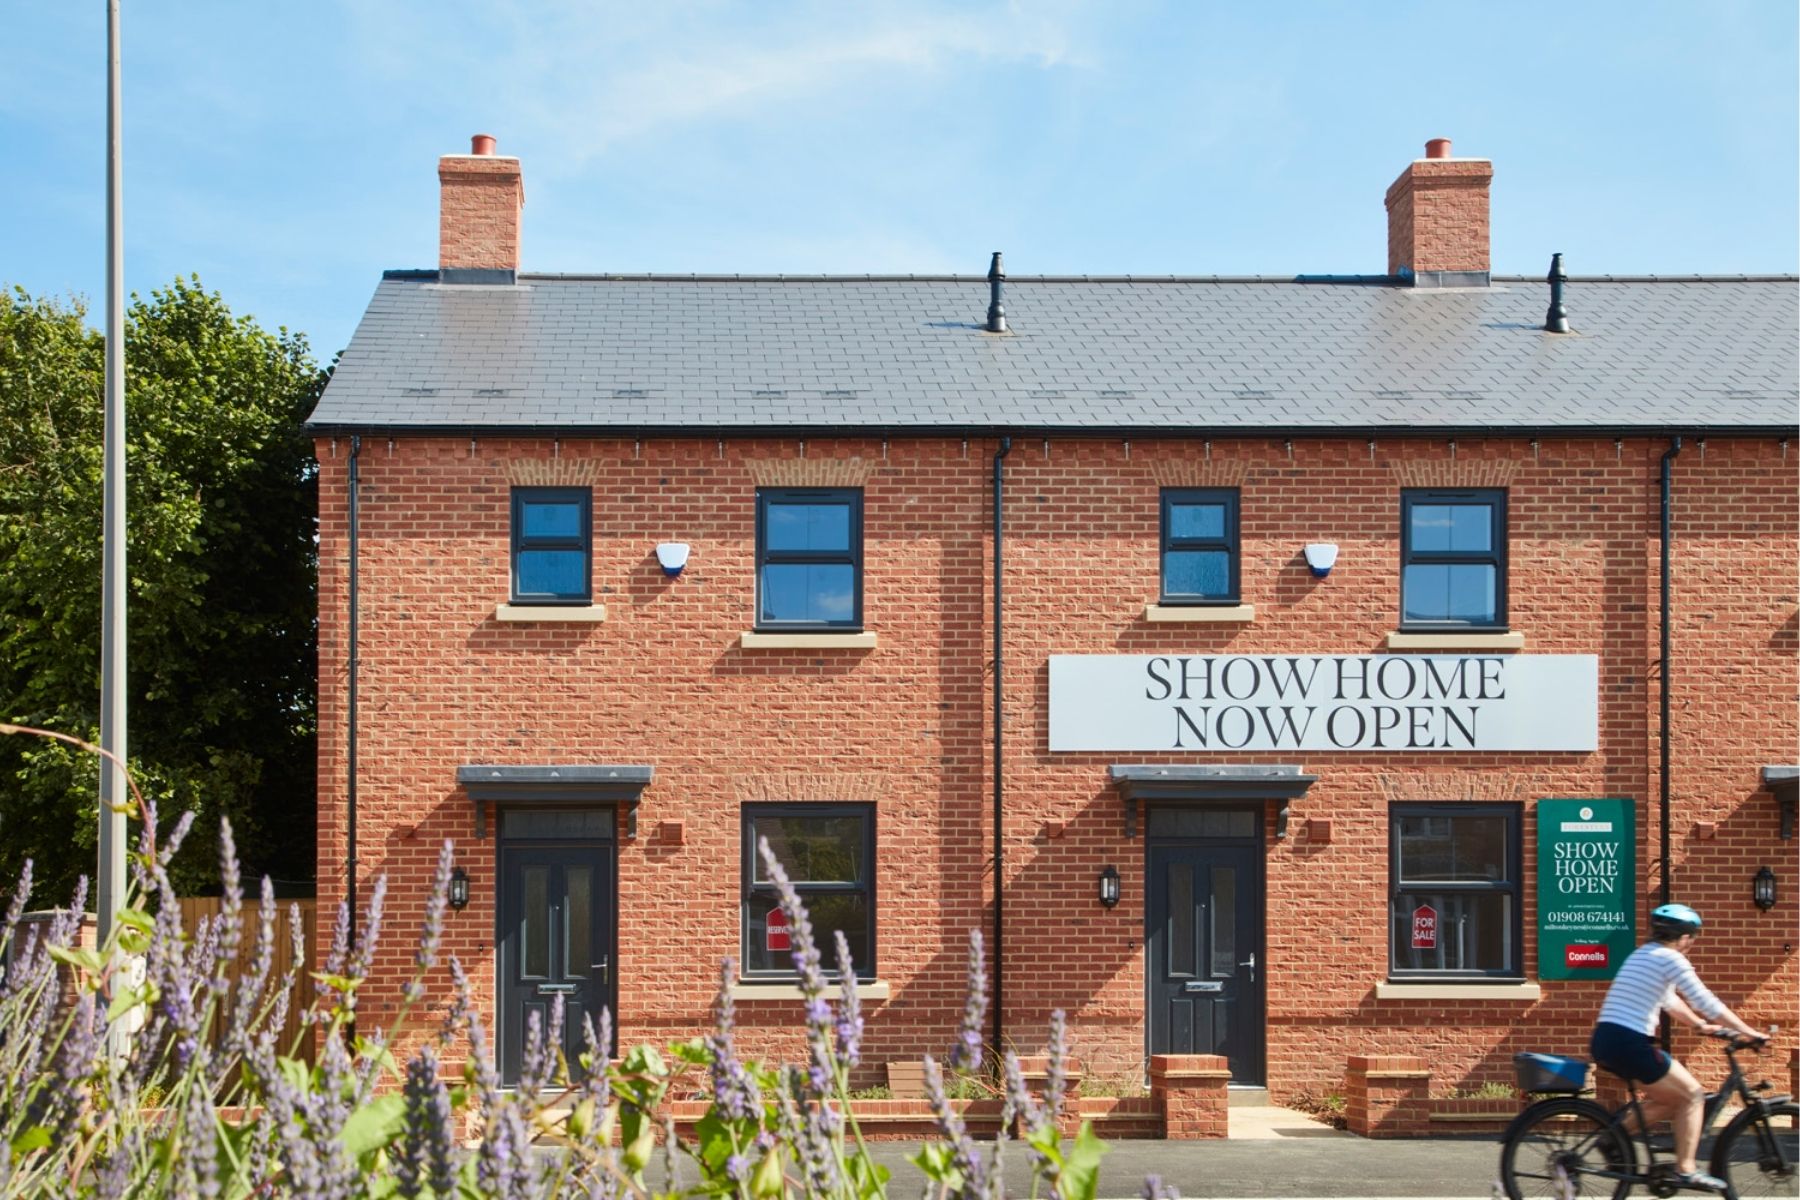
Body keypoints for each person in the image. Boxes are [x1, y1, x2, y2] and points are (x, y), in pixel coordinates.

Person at [1589, 902, 1765, 1192]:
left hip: (1608, 1039)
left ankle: (1613, 1137)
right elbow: (1705, 1000)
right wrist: (1748, 1032)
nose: (1692, 944)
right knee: (1693, 1096)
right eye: (1693, 937)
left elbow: (1669, 1000)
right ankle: (1685, 1169)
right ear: (1684, 937)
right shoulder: (1671, 959)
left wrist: (1697, 1025)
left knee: (1671, 1098)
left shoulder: (1643, 955)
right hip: (1630, 1041)